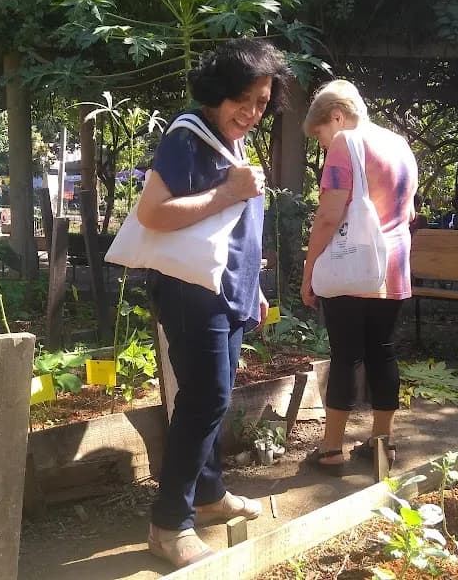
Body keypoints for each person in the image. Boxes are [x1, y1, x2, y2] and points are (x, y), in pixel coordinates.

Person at [136, 39, 291, 568]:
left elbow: (234, 231)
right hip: (189, 291)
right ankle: (167, 524)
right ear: (216, 92)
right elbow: (153, 214)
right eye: (241, 100)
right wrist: (228, 191)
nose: (250, 112)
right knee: (204, 400)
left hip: (225, 291)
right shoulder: (187, 136)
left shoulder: (232, 142)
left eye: (261, 103)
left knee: (212, 400)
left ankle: (206, 496)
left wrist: (254, 285)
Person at [300, 80, 418, 475]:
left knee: (345, 356)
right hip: (393, 268)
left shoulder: (345, 143)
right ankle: (382, 447)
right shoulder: (400, 146)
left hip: (352, 269)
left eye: (319, 133)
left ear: (336, 115)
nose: (321, 144)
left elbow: (329, 216)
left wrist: (309, 270)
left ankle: (332, 450)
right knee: (383, 352)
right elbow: (409, 214)